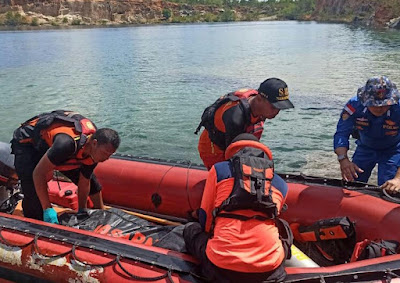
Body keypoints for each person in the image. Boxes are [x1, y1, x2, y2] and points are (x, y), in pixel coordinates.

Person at [184, 133, 292, 283]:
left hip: (221, 267)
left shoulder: (219, 171)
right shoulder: (281, 184)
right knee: (284, 227)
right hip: (270, 270)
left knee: (190, 229)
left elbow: (205, 219)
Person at [11, 110, 120, 224]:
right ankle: (33, 223)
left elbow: (85, 181)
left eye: (109, 155)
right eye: (105, 153)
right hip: (29, 144)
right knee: (33, 192)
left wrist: (82, 210)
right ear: (94, 143)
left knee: (93, 183)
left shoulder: (94, 151)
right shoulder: (66, 144)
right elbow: (38, 173)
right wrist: (47, 209)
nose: (106, 158)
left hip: (57, 147)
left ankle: (100, 215)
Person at [195, 77, 294, 170]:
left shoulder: (260, 107)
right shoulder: (236, 117)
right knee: (230, 176)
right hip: (215, 150)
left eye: (280, 108)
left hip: (237, 138)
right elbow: (232, 155)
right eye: (274, 107)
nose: (276, 112)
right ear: (259, 98)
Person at [334, 76, 400, 194]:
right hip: (365, 148)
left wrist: (399, 178)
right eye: (373, 104)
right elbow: (341, 133)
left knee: (390, 187)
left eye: (384, 104)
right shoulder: (353, 106)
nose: (379, 108)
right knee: (353, 183)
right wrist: (343, 159)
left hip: (393, 150)